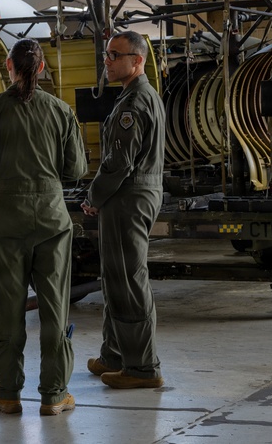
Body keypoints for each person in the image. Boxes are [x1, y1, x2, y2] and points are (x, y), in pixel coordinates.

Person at [0, 38, 88, 416]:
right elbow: (76, 170)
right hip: (52, 221)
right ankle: (54, 394)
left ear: (9, 66)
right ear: (39, 68)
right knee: (55, 308)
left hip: (6, 221)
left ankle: (7, 393)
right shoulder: (61, 111)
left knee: (6, 308)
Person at [81, 30, 165, 389]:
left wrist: (94, 197)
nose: (108, 61)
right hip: (132, 194)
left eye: (115, 55)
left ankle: (142, 368)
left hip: (128, 196)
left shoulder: (134, 104)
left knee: (129, 280)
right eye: (107, 55)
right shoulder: (140, 96)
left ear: (138, 60)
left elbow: (118, 163)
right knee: (115, 276)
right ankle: (114, 355)